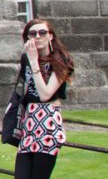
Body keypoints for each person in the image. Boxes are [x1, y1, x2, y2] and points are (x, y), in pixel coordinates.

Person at [14, 18, 74, 179]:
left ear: (51, 36)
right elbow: (27, 91)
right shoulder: (25, 58)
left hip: (48, 122)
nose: (37, 36)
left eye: (42, 32)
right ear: (27, 37)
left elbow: (45, 94)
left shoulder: (62, 60)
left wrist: (34, 62)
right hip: (30, 122)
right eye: (32, 33)